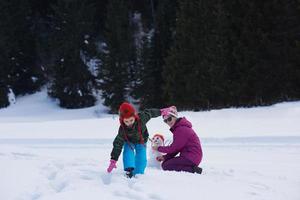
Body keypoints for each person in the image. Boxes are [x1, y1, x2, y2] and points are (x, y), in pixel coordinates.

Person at [106, 102, 161, 178]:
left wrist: (162, 111)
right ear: (122, 120)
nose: (129, 123)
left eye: (131, 120)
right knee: (128, 153)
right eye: (126, 121)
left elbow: (150, 113)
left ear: (134, 116)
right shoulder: (122, 129)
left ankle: (138, 173)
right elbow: (117, 144)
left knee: (141, 158)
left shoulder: (141, 118)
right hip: (129, 142)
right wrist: (113, 159)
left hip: (141, 141)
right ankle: (129, 170)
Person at [153, 106, 203, 174]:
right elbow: (177, 148)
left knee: (166, 165)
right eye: (165, 121)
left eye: (169, 119)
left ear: (175, 117)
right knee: (166, 163)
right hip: (192, 157)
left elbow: (174, 148)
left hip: (191, 158)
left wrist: (158, 148)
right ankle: (192, 168)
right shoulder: (178, 128)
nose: (168, 122)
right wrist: (165, 157)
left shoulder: (181, 129)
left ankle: (193, 170)